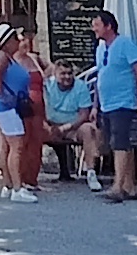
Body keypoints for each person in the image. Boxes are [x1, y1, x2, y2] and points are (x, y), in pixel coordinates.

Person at [90, 8, 137, 200]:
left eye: (97, 25)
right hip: (106, 104)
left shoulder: (125, 44)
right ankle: (129, 187)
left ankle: (117, 186)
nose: (94, 28)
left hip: (123, 102)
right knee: (119, 143)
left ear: (108, 26)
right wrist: (95, 105)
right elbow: (100, 76)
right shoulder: (100, 48)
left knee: (119, 143)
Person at [0, 26, 44, 202]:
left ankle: (8, 185)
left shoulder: (4, 56)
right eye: (14, 38)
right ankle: (18, 189)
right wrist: (2, 96)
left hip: (3, 105)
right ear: (7, 42)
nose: (18, 41)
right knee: (16, 146)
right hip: (6, 107)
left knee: (5, 145)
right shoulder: (2, 57)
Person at [39, 54, 99, 186]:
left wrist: (65, 128)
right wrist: (49, 127)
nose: (67, 77)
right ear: (55, 74)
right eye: (63, 74)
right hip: (50, 125)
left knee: (88, 129)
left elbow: (84, 114)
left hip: (73, 127)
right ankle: (27, 178)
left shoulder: (80, 86)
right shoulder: (47, 86)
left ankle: (91, 173)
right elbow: (39, 109)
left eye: (70, 73)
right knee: (29, 131)